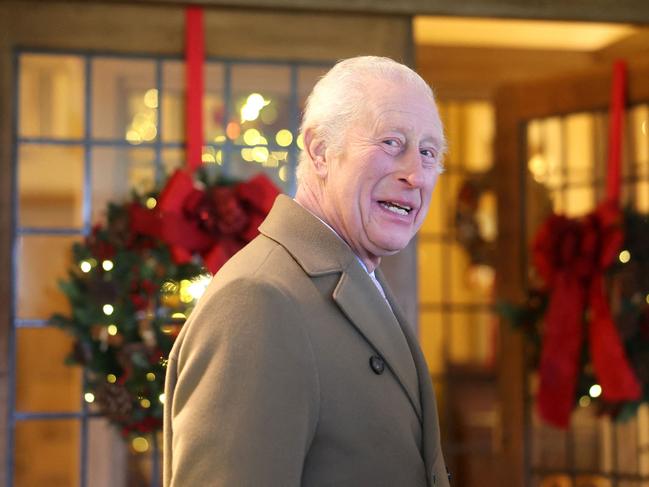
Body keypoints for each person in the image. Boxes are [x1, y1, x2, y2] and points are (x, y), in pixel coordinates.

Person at [163, 55, 449, 487]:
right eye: (392, 142)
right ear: (320, 150)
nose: (415, 174)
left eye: (428, 152)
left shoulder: (357, 275)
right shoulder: (258, 300)